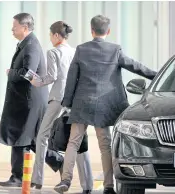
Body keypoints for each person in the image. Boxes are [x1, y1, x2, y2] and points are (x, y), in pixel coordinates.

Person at [54, 15, 157, 194]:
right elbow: (136, 66)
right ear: (108, 31)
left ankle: (66, 181)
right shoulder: (115, 50)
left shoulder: (81, 49)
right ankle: (109, 186)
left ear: (91, 30)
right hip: (104, 106)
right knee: (105, 145)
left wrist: (67, 104)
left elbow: (72, 78)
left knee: (73, 143)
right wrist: (159, 76)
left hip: (82, 104)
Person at [0, 13, 64, 187]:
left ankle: (18, 177)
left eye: (15, 26)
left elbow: (29, 72)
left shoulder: (31, 46)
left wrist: (10, 73)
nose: (12, 29)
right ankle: (57, 161)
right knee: (31, 139)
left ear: (25, 28)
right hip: (27, 100)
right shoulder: (26, 44)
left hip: (29, 101)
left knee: (21, 137)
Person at [30, 21, 93, 194]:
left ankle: (37, 179)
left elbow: (51, 77)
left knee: (42, 135)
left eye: (50, 35)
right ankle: (87, 184)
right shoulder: (76, 52)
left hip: (58, 99)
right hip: (75, 100)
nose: (50, 39)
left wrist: (35, 81)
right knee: (78, 140)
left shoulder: (53, 52)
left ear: (57, 35)